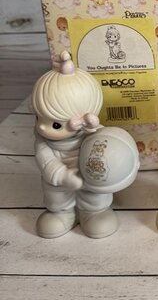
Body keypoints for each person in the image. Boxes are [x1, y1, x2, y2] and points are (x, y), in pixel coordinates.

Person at [31, 51, 118, 239]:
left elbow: (104, 146)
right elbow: (45, 160)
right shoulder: (43, 140)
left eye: (56, 125)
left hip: (88, 176)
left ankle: (94, 213)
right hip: (57, 180)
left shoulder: (90, 131)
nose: (42, 127)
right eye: (38, 117)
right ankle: (62, 214)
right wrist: (61, 176)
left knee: (93, 195)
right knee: (57, 197)